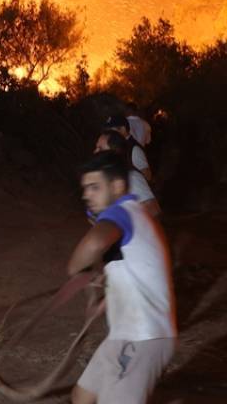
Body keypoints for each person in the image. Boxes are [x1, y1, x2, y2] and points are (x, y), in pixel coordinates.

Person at [68, 151, 176, 404]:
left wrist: (74, 267)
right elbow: (130, 270)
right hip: (125, 335)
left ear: (117, 186)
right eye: (85, 189)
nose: (87, 195)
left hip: (143, 338)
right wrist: (104, 295)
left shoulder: (121, 212)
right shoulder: (133, 216)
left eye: (94, 187)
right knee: (82, 396)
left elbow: (94, 245)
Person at [95, 129, 161, 218]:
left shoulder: (131, 177)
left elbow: (153, 210)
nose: (95, 152)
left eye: (100, 148)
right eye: (96, 148)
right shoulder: (105, 177)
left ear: (115, 152)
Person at [105, 116, 154, 185]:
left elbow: (147, 176)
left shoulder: (134, 150)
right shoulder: (121, 146)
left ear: (123, 129)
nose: (108, 134)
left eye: (111, 130)